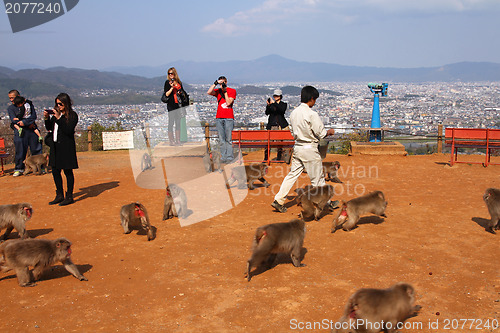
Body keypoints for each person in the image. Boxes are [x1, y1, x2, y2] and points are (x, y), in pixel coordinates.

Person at [271, 86, 335, 213]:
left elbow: (293, 132)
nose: (315, 102)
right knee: (318, 178)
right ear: (311, 99)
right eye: (315, 99)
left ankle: (278, 200)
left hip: (298, 147)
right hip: (310, 148)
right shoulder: (312, 114)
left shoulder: (294, 113)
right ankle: (326, 203)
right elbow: (321, 134)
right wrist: (329, 132)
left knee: (292, 175)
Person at [43, 93, 79, 206]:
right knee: (55, 170)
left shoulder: (72, 115)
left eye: (61, 104)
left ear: (66, 103)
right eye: (57, 104)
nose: (58, 106)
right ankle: (59, 194)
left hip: (66, 147)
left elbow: (68, 130)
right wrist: (46, 118)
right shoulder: (56, 115)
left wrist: (59, 118)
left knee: (67, 171)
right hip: (55, 146)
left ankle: (69, 196)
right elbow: (50, 128)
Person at [7, 89, 43, 177]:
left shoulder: (28, 104)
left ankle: (40, 167)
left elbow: (33, 116)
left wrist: (25, 122)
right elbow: (13, 120)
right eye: (10, 98)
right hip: (20, 131)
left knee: (36, 148)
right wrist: (24, 122)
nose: (11, 100)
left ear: (18, 97)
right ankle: (19, 168)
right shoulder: (11, 108)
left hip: (31, 129)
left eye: (12, 98)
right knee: (20, 150)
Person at [207, 76, 237, 163]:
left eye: (223, 83)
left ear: (226, 82)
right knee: (222, 139)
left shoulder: (232, 91)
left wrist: (225, 91)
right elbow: (209, 92)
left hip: (229, 117)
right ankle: (223, 157)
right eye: (220, 84)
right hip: (219, 117)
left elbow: (228, 102)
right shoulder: (218, 91)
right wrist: (215, 83)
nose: (221, 85)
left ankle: (230, 157)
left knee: (229, 139)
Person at [264, 88, 288, 161]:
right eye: (274, 96)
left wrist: (273, 104)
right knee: (268, 143)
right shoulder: (272, 105)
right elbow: (267, 113)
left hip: (280, 125)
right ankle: (266, 158)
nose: (275, 97)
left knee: (279, 143)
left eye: (277, 96)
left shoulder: (283, 104)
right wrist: (268, 105)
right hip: (271, 125)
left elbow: (281, 110)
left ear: (280, 96)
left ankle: (279, 158)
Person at [163, 67, 184, 146]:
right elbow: (166, 94)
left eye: (171, 73)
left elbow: (182, 92)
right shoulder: (167, 83)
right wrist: (172, 87)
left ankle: (178, 140)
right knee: (171, 123)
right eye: (169, 73)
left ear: (174, 74)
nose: (170, 75)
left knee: (178, 123)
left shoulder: (179, 82)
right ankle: (171, 140)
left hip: (178, 105)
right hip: (171, 105)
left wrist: (179, 91)